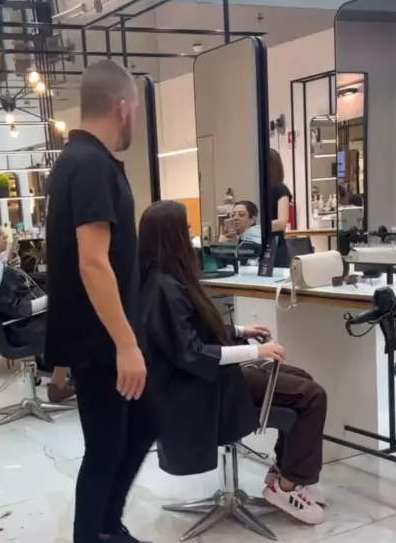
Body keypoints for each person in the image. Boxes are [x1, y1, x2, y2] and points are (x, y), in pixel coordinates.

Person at [45, 60, 158, 543]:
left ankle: (108, 529)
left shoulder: (85, 160)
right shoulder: (89, 165)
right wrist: (126, 344)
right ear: (122, 107)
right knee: (106, 445)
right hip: (100, 341)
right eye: (134, 107)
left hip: (104, 336)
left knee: (143, 424)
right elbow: (93, 263)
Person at [139, 201, 327, 525]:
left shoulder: (163, 281)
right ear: (171, 236)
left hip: (204, 381)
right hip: (201, 391)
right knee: (312, 396)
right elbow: (193, 352)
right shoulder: (164, 288)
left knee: (302, 378)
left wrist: (240, 331)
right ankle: (287, 486)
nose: (191, 234)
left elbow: (190, 333)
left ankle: (287, 471)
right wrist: (257, 352)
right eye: (185, 228)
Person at [0, 218, 73, 403]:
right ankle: (60, 384)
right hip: (19, 330)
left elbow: (6, 293)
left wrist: (12, 267)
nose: (5, 236)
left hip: (7, 328)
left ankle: (59, 379)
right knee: (74, 322)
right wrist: (53, 300)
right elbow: (21, 310)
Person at [269, 149, 292, 266]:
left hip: (277, 250)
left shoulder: (281, 190)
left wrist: (259, 227)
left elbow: (282, 222)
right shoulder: (259, 190)